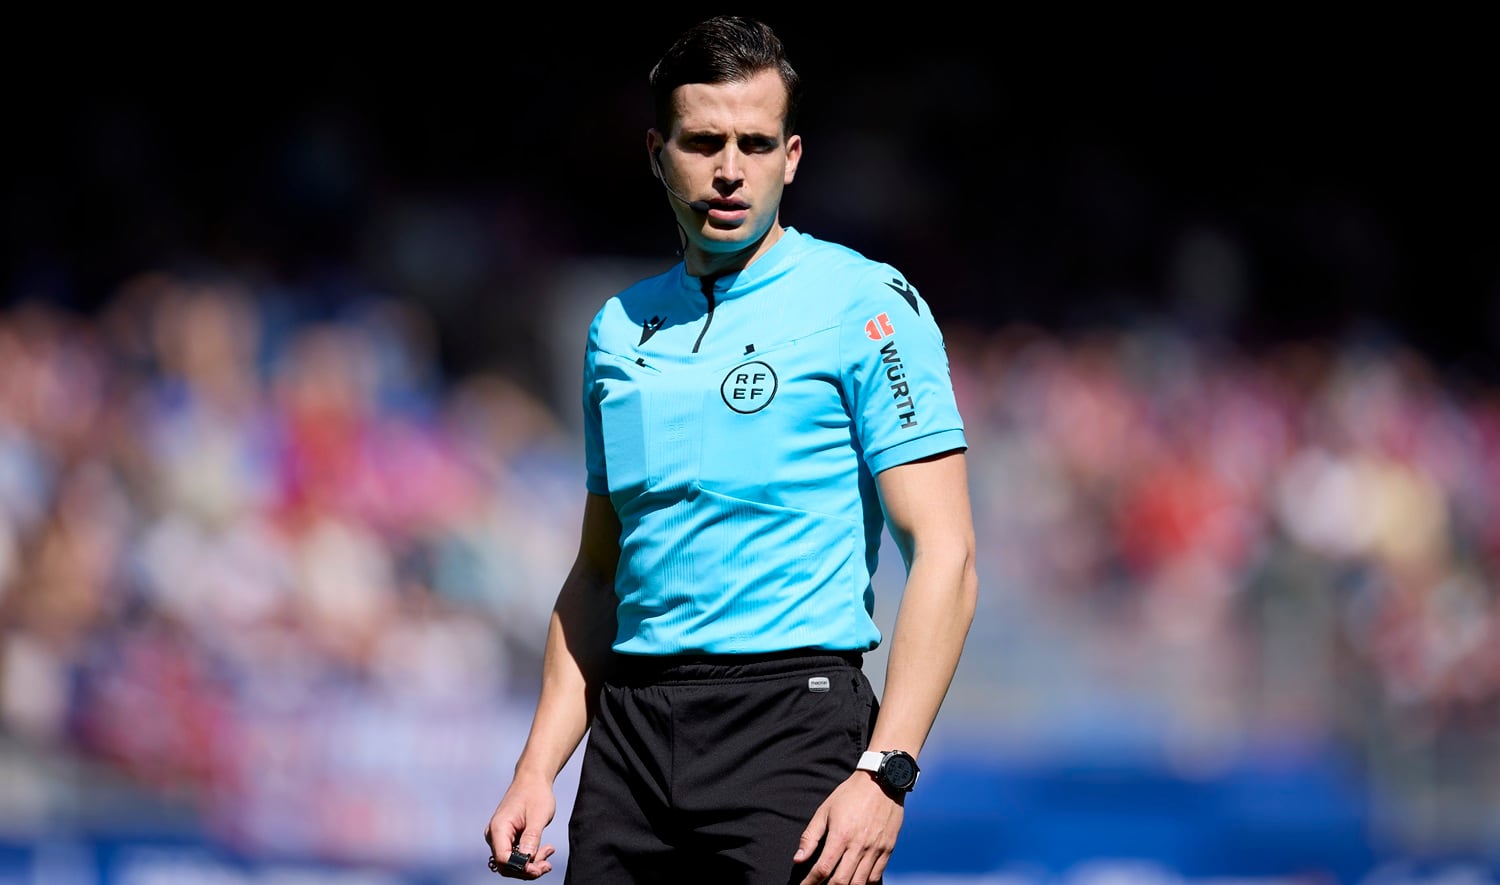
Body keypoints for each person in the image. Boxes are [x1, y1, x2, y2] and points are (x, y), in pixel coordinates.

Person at [483, 15, 977, 885]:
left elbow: (945, 551)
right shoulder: (617, 328)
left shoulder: (866, 303)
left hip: (793, 726)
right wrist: (536, 768)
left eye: (754, 143)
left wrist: (886, 771)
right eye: (703, 140)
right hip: (629, 742)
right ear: (656, 151)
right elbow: (599, 571)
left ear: (791, 156)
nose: (728, 170)